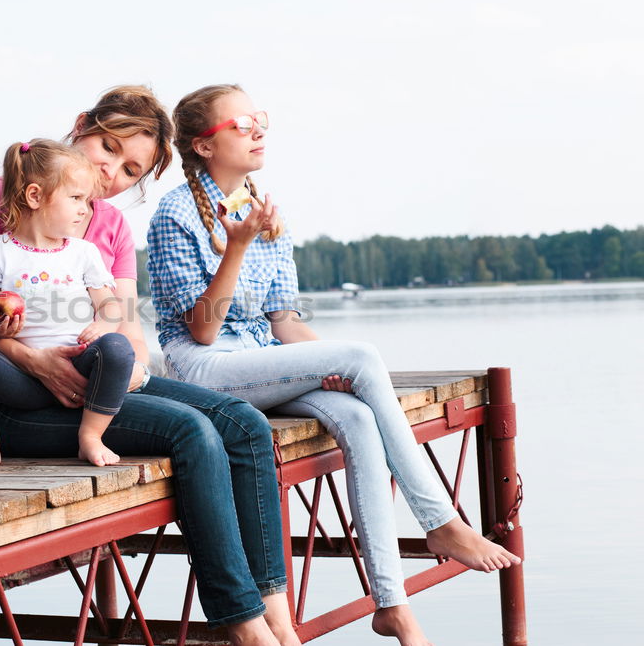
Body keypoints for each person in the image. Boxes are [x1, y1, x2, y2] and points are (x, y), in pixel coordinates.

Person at [146, 84, 522, 646]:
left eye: (259, 120)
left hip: (260, 361)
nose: (257, 131)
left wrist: (334, 368)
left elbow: (285, 321)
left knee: (360, 414)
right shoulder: (174, 215)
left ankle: (391, 605)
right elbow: (201, 328)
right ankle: (442, 523)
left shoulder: (264, 210)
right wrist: (236, 248)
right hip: (202, 369)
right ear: (202, 145)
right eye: (242, 123)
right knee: (363, 354)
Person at [0, 86, 300, 645]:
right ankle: (243, 623)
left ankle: (276, 612)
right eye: (108, 147)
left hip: (100, 381)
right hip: (25, 398)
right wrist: (32, 359)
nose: (110, 173)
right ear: (81, 125)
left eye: (131, 170)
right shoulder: (5, 194)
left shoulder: (108, 227)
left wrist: (123, 359)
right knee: (192, 431)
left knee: (244, 425)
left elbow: (127, 324)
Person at [0, 139, 134, 471]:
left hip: (79, 367)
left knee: (117, 347)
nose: (84, 210)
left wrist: (103, 325)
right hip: (22, 378)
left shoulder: (82, 253)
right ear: (35, 196)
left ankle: (90, 435)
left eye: (86, 201)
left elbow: (113, 306)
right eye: (76, 198)